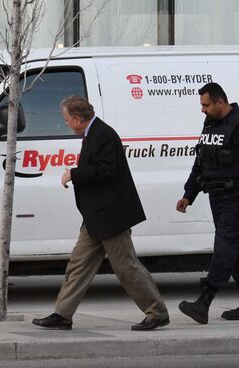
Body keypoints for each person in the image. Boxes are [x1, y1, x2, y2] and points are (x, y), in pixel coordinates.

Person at [32, 95, 169, 331]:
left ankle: (157, 312)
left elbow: (105, 170)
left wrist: (74, 174)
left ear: (77, 119)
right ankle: (62, 315)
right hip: (96, 216)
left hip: (111, 216)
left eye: (66, 119)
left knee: (126, 266)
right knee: (78, 265)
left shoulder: (103, 134)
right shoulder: (93, 133)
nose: (65, 123)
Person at [177, 82, 239, 324]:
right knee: (236, 250)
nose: (202, 110)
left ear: (220, 102)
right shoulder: (210, 124)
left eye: (206, 105)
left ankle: (204, 301)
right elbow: (201, 163)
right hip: (216, 197)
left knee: (225, 248)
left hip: (236, 198)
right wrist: (189, 194)